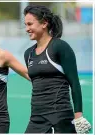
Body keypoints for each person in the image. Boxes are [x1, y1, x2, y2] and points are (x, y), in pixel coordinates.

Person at [23, 5, 91, 134]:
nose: (27, 29)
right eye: (25, 25)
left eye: (30, 24)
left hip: (59, 118)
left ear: (44, 23)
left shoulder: (60, 47)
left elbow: (75, 83)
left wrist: (78, 116)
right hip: (36, 118)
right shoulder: (28, 54)